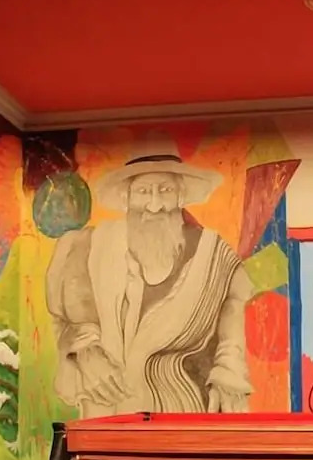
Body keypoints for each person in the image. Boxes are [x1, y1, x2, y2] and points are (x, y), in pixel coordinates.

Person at [45, 133, 253, 418]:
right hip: (106, 414)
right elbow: (66, 318)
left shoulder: (213, 254)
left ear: (180, 196)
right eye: (144, 191)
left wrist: (228, 374)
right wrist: (84, 351)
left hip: (182, 414)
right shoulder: (90, 247)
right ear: (126, 197)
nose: (155, 205)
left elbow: (232, 316)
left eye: (165, 190)